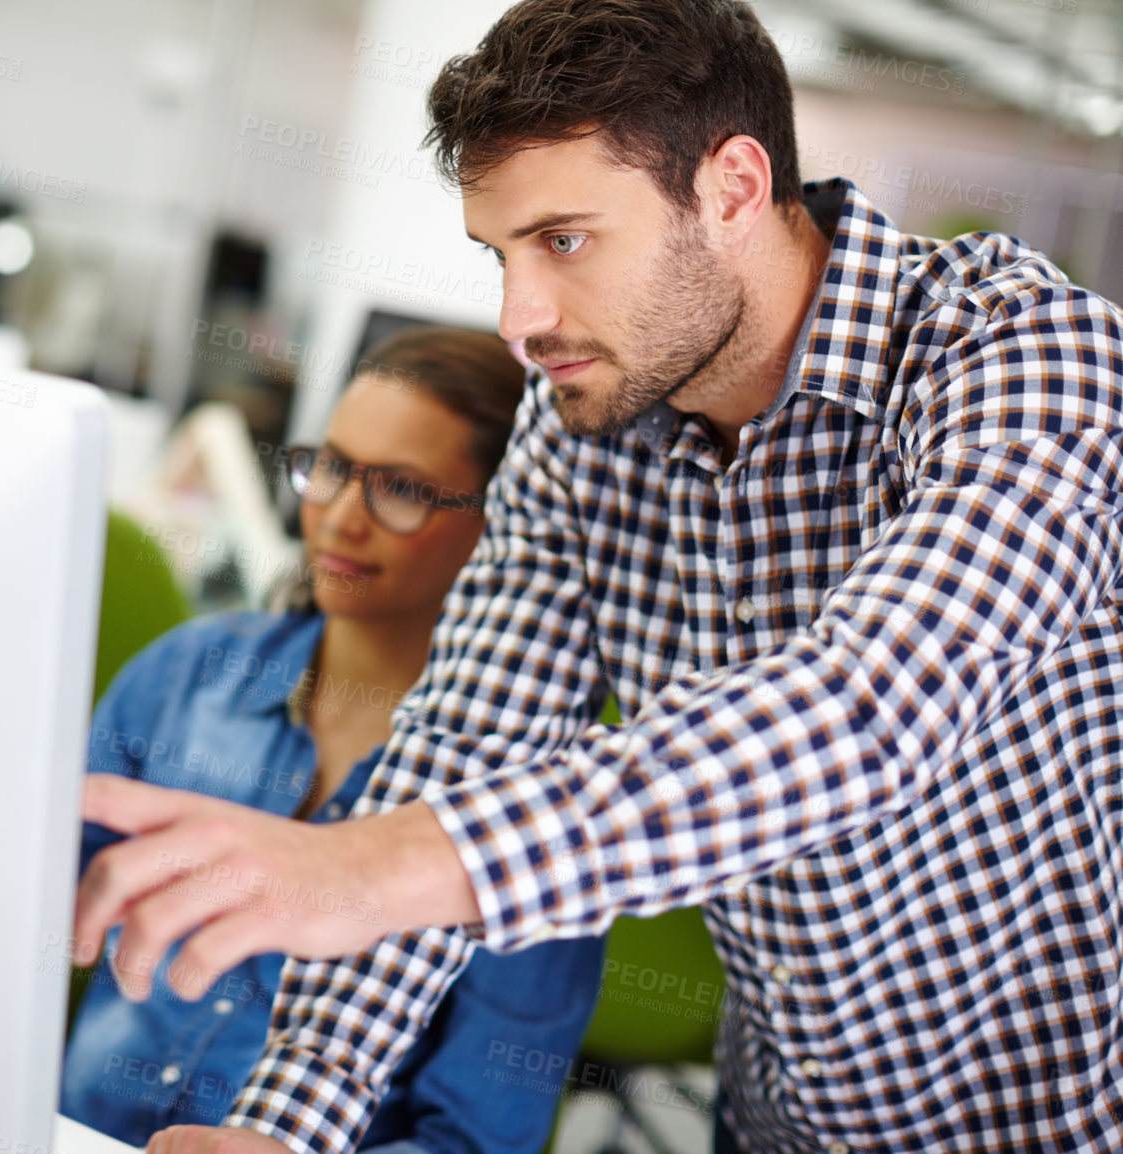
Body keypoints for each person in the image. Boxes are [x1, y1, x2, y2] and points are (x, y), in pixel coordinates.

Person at [70, 1, 1123, 1152]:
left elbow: (866, 710)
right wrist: (284, 1125)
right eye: (500, 254)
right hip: (781, 1117)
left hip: (1055, 1117)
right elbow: (463, 747)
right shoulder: (581, 431)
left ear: (729, 187)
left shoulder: (1020, 357)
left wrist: (380, 861)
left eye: (563, 241)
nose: (519, 320)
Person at [61, 328, 606, 1154]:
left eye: (402, 490)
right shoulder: (189, 674)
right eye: (332, 467)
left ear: (510, 523)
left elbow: (477, 1137)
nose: (342, 517)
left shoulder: (528, 811)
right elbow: (25, 912)